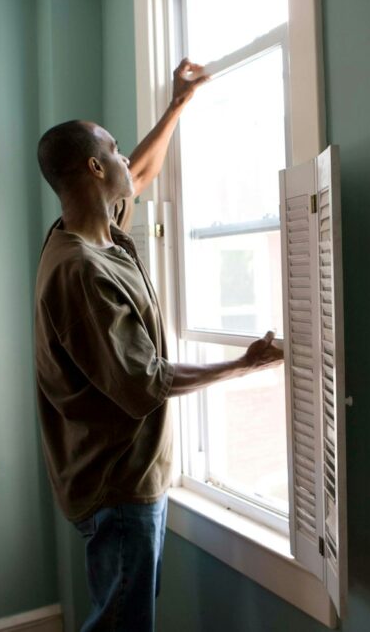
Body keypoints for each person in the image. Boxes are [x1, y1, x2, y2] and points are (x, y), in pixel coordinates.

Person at [33, 58, 284, 632]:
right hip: (116, 485)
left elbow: (138, 174)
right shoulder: (81, 271)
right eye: (114, 149)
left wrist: (179, 104)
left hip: (124, 477)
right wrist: (246, 365)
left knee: (123, 614)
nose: (126, 158)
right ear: (95, 168)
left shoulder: (93, 230)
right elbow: (145, 382)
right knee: (122, 623)